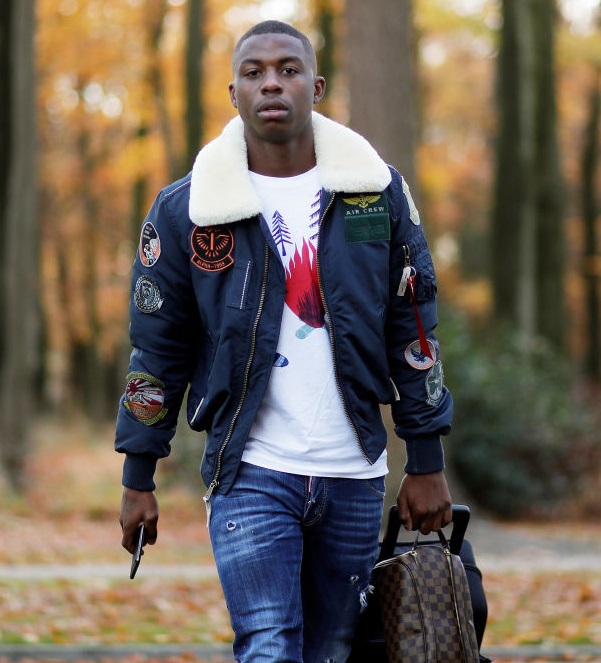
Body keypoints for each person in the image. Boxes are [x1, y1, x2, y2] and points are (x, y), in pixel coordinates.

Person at [116, 19, 453, 663]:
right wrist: (138, 476)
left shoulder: (374, 192)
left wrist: (426, 458)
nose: (272, 83)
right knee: (268, 646)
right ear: (234, 93)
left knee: (331, 652)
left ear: (315, 87)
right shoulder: (188, 209)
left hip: (354, 471)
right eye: (254, 72)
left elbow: (413, 329)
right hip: (249, 469)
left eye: (288, 70)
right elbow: (157, 350)